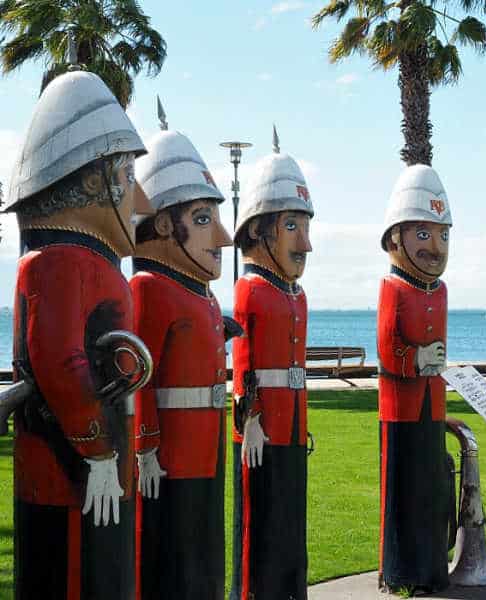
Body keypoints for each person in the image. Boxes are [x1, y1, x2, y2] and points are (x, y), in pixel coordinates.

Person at [5, 69, 153, 598]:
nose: (142, 204)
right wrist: (98, 451)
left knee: (103, 570)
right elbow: (61, 364)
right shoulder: (60, 262)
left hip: (95, 464)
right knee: (74, 571)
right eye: (128, 177)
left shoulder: (85, 261)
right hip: (68, 468)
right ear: (93, 181)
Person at [131, 108, 234, 599]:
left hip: (206, 443)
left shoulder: (203, 294)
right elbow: (139, 377)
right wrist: (146, 445)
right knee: (175, 545)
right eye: (202, 219)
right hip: (171, 449)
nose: (222, 236)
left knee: (205, 543)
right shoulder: (150, 288)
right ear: (166, 225)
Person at [230, 129, 313, 600]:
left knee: (289, 516)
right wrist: (251, 415)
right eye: (291, 227)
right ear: (260, 230)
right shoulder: (252, 289)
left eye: (305, 227)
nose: (305, 244)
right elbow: (243, 359)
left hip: (294, 425)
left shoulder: (294, 293)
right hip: (263, 428)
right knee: (260, 517)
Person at [377, 164, 452, 594]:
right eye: (422, 235)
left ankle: (430, 567)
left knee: (430, 489)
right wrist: (416, 358)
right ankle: (399, 570)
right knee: (401, 488)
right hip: (400, 409)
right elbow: (388, 350)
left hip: (431, 405)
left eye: (442, 235)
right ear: (395, 238)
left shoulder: (439, 291)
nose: (435, 247)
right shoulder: (393, 287)